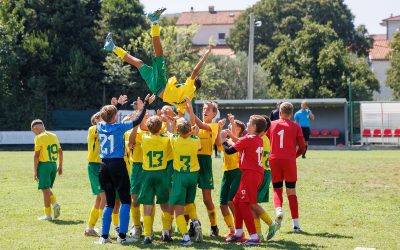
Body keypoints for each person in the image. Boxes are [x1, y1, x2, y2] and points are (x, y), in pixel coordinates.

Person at [104, 8, 212, 113]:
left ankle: (154, 20)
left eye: (191, 79)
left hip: (160, 84)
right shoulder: (186, 101)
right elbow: (186, 112)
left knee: (160, 55)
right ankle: (112, 47)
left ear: (194, 84)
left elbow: (195, 70)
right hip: (155, 89)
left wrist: (206, 55)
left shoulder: (190, 87)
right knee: (139, 64)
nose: (188, 78)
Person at [96, 94, 155, 244]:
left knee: (109, 203)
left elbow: (106, 117)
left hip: (103, 166)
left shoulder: (100, 126)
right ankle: (122, 236)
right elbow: (138, 120)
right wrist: (146, 105)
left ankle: (104, 236)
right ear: (115, 116)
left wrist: (117, 106)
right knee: (125, 200)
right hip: (117, 165)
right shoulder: (119, 127)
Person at [222, 115, 267, 246]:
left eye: (249, 123)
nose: (247, 124)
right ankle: (238, 233)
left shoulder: (249, 138)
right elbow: (240, 142)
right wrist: (231, 135)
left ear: (254, 127)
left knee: (243, 204)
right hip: (253, 174)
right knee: (236, 201)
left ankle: (253, 236)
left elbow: (230, 151)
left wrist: (223, 140)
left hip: (250, 175)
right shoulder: (257, 139)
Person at [133, 115, 174, 244]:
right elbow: (171, 133)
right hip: (161, 173)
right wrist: (167, 122)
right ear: (160, 128)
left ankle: (147, 235)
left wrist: (138, 122)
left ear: (148, 127)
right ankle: (166, 232)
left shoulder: (144, 137)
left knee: (147, 204)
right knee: (164, 203)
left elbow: (134, 136)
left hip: (147, 173)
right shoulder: (165, 138)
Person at [267, 102, 305, 233]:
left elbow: (265, 141)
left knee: (277, 189)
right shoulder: (296, 126)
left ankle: (278, 210)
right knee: (291, 191)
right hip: (289, 161)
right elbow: (302, 147)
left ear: (279, 112)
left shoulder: (271, 125)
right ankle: (296, 225)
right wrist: (294, 156)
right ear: (292, 113)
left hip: (274, 160)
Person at [169, 113, 203, 245]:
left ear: (178, 130)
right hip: (193, 175)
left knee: (179, 208)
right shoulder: (195, 140)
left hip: (180, 175)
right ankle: (195, 221)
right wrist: (194, 133)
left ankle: (186, 238)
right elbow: (199, 147)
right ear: (190, 130)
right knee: (189, 202)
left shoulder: (175, 139)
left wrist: (173, 122)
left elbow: (169, 132)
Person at [193, 101, 223, 237]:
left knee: (206, 198)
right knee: (189, 197)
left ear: (214, 113)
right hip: (193, 161)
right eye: (204, 108)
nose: (204, 111)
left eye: (208, 109)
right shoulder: (194, 125)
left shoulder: (214, 125)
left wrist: (190, 110)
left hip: (205, 162)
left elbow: (201, 125)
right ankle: (193, 225)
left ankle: (214, 226)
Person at [219, 114, 245, 238]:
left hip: (236, 172)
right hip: (226, 172)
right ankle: (232, 229)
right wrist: (219, 128)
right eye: (230, 125)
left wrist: (232, 121)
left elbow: (234, 137)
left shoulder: (240, 141)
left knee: (231, 202)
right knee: (222, 204)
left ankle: (240, 230)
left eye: (235, 127)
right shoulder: (226, 140)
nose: (231, 127)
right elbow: (218, 141)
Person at [31, 119, 63, 221]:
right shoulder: (53, 135)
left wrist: (35, 171)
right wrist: (60, 166)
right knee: (46, 189)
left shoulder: (38, 138)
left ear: (35, 128)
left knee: (45, 190)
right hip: (53, 165)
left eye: (33, 131)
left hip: (44, 165)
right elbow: (60, 152)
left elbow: (36, 156)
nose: (34, 133)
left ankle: (48, 214)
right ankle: (54, 205)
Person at [252, 115, 278, 241]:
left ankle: (271, 224)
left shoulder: (261, 139)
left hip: (261, 173)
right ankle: (258, 234)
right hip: (264, 173)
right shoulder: (264, 138)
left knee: (252, 203)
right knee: (252, 204)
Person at [84, 112, 106, 236]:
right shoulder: (93, 129)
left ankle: (90, 228)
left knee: (99, 199)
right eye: (100, 117)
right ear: (96, 120)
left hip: (101, 166)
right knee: (105, 198)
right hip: (94, 165)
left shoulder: (104, 131)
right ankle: (104, 228)